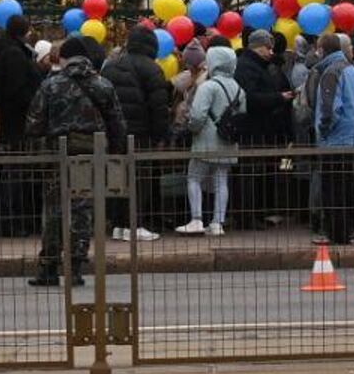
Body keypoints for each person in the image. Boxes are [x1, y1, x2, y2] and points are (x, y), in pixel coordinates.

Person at [28, 37, 127, 287]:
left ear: (64, 58)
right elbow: (117, 123)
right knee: (82, 210)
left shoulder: (50, 85)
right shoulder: (102, 84)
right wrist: (116, 152)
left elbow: (34, 124)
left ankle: (48, 267)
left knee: (54, 210)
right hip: (89, 155)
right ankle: (75, 267)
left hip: (56, 155)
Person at [102, 25, 171, 242]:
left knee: (118, 179)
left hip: (113, 134)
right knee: (140, 179)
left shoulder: (110, 66)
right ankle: (135, 224)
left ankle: (118, 225)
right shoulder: (152, 68)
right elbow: (159, 106)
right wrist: (161, 135)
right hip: (141, 135)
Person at [178, 46, 244, 237]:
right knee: (221, 181)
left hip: (205, 140)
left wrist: (191, 128)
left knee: (194, 178)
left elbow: (197, 116)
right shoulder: (239, 88)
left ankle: (196, 219)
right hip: (229, 141)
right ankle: (218, 223)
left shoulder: (208, 86)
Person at [306, 33, 354, 245]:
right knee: (348, 189)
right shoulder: (351, 69)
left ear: (322, 50)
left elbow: (330, 109)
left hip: (336, 141)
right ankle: (347, 231)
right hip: (353, 138)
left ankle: (335, 233)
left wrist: (323, 130)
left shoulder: (330, 73)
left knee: (333, 190)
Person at [235, 30, 296, 228]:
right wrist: (279, 98)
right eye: (268, 47)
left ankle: (255, 214)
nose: (271, 51)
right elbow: (250, 98)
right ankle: (247, 216)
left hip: (262, 128)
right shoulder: (248, 67)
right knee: (250, 174)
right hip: (253, 129)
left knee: (257, 173)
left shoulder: (257, 66)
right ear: (257, 47)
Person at [0, 15, 38, 237]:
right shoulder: (15, 54)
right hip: (15, 123)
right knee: (13, 174)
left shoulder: (6, 51)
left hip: (8, 121)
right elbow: (17, 90)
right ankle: (10, 221)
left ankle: (11, 219)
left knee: (11, 173)